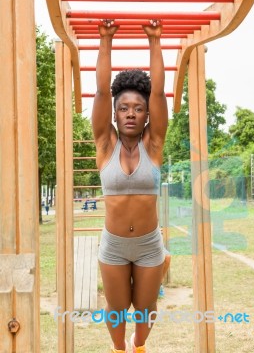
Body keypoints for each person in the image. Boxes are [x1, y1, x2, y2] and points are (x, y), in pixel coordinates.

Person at [91, 19, 168, 353]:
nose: (131, 114)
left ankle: (139, 346)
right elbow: (100, 92)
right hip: (115, 245)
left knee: (146, 309)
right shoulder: (105, 144)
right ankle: (119, 349)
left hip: (150, 244)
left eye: (138, 108)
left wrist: (154, 41)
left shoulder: (154, 144)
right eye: (124, 108)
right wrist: (105, 41)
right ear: (116, 113)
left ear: (147, 114)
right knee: (117, 310)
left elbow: (160, 93)